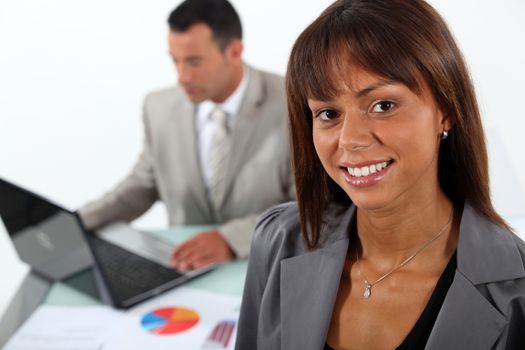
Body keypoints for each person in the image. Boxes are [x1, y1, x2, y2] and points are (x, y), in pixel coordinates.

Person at [235, 0, 525, 349]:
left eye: (383, 105)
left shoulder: (516, 291)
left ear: (446, 111)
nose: (350, 140)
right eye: (328, 113)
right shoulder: (278, 240)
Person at [79, 0, 293, 271]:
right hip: (183, 271)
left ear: (235, 51)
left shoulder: (293, 102)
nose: (182, 77)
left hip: (271, 268)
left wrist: (230, 239)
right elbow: (141, 186)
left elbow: (313, 207)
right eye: (175, 61)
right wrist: (78, 223)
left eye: (194, 62)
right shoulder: (158, 108)